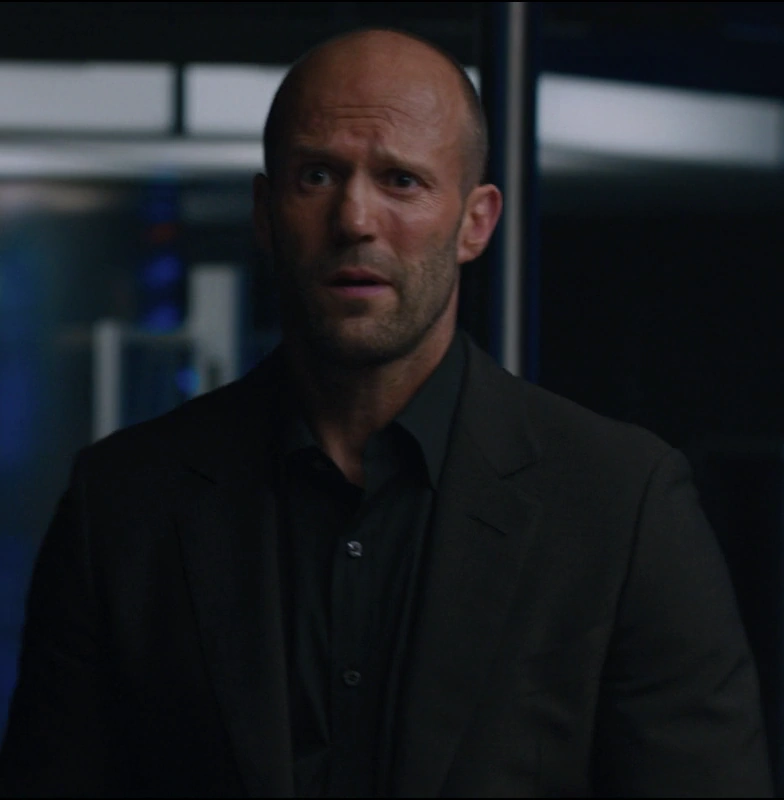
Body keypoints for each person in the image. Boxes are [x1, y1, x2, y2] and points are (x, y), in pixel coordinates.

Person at [0, 27, 773, 798]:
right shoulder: (123, 503)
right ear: (265, 211)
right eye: (317, 176)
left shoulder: (621, 505)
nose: (355, 219)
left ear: (476, 222)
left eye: (401, 180)